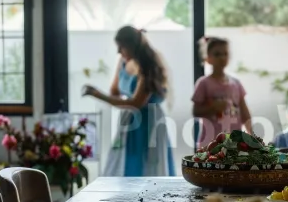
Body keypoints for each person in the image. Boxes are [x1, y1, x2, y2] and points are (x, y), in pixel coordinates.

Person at [82, 26, 175, 176]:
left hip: (149, 121)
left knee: (149, 165)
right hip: (129, 121)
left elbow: (136, 103)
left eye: (122, 47)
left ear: (132, 46)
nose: (119, 51)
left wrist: (98, 95)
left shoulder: (147, 67)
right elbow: (115, 91)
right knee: (125, 161)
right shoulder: (123, 62)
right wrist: (111, 98)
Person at [192, 36, 252, 149]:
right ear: (208, 58)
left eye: (225, 54)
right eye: (217, 54)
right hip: (210, 143)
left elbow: (245, 113)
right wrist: (213, 107)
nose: (222, 57)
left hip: (234, 143)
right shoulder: (203, 83)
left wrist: (251, 136)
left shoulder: (236, 83)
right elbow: (196, 111)